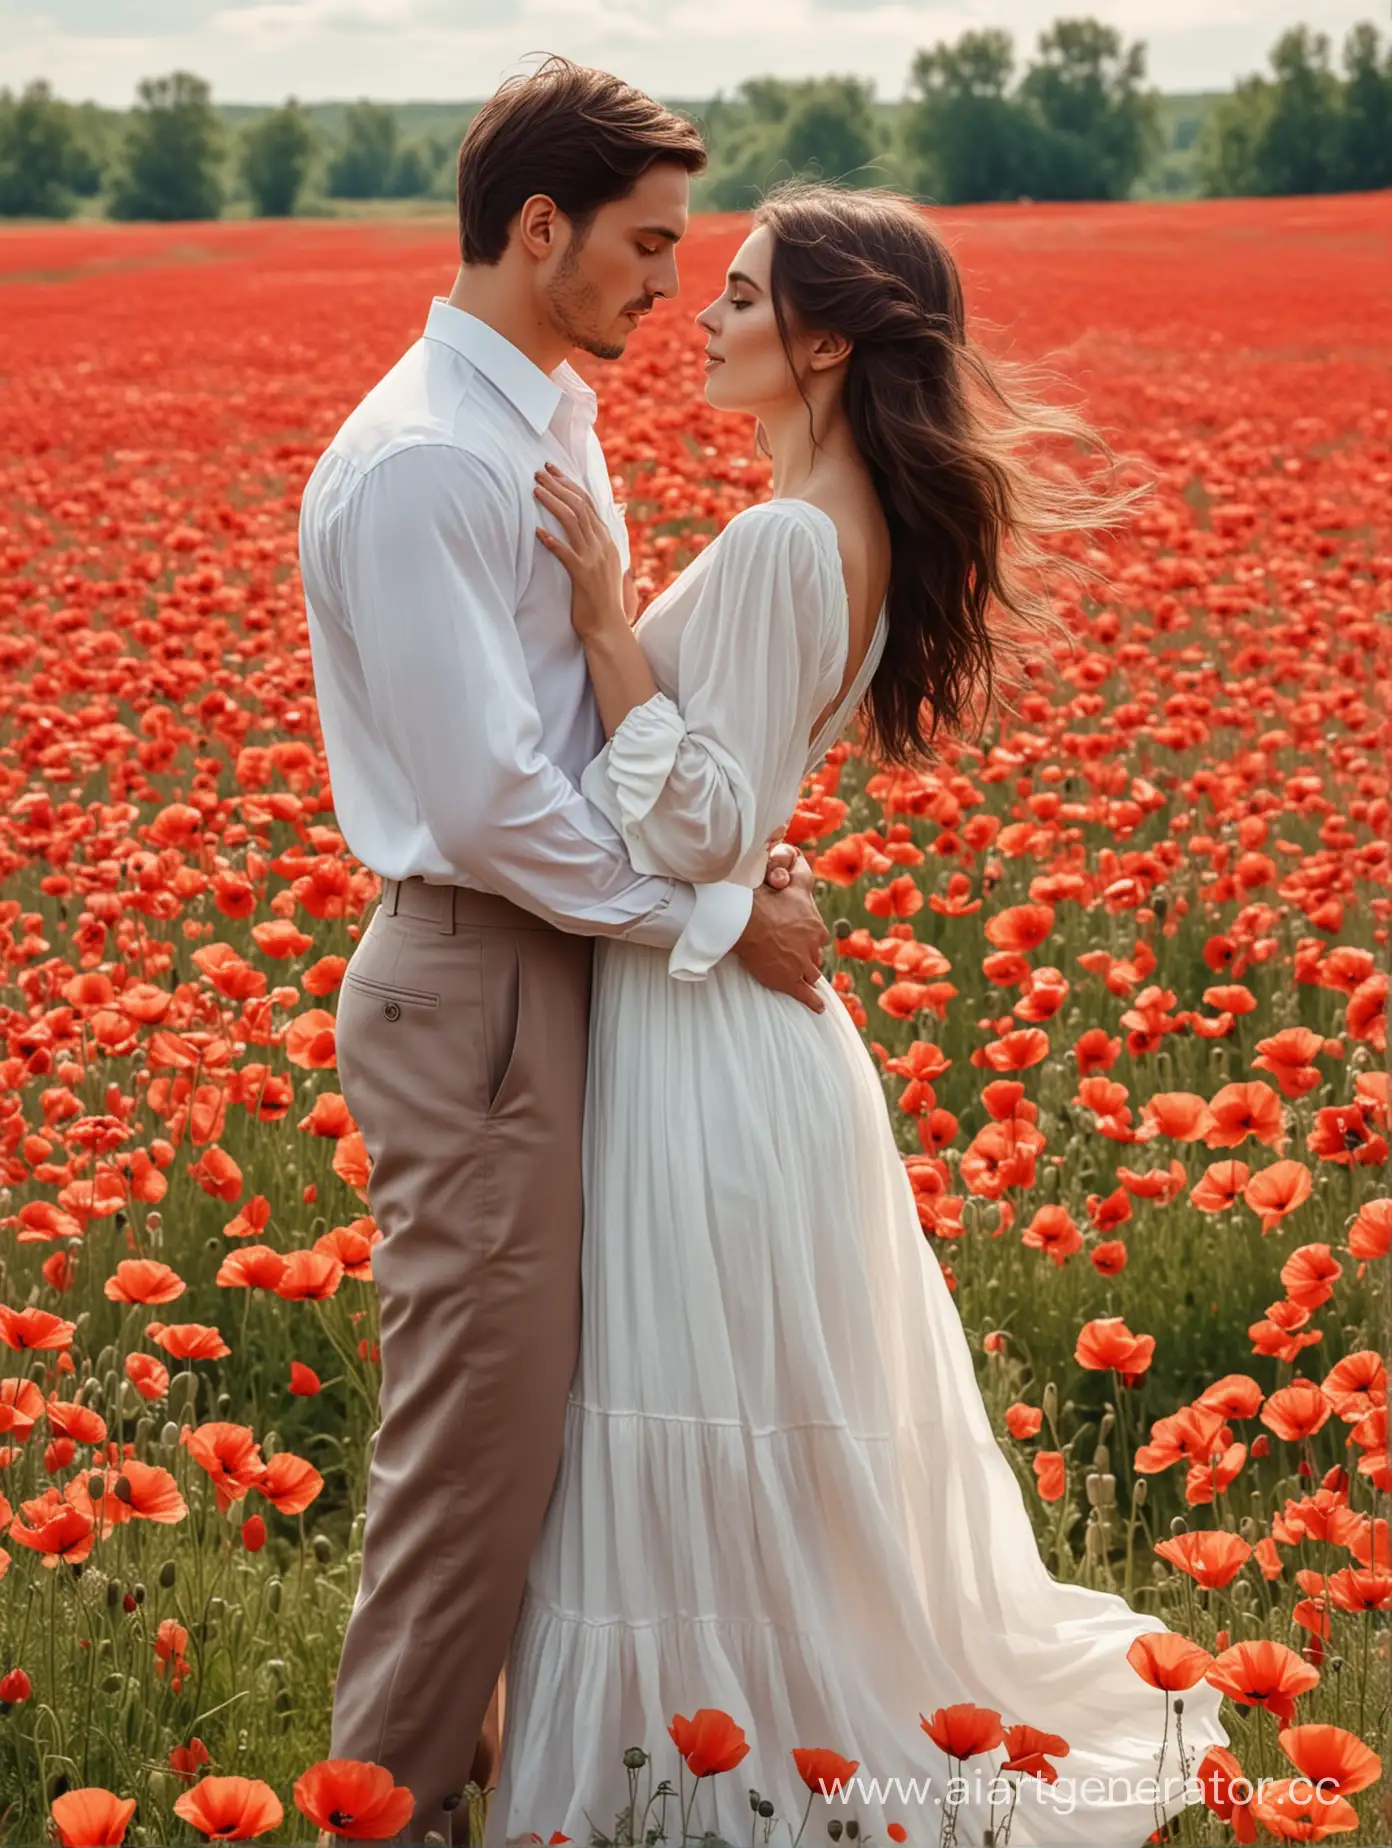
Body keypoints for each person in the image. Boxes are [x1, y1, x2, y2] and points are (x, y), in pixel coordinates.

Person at [482, 183, 1234, 1843]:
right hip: (739, 1028)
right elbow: (739, 835)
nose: (705, 313)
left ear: (824, 338)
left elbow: (698, 825)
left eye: (741, 296)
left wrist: (606, 624)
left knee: (692, 1405)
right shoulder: (849, 528)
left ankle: (712, 1785)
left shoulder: (780, 538)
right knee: (747, 1427)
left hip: (698, 1045)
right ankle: (748, 1761)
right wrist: (746, 875)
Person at [297, 57, 833, 1844]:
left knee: (555, 1446)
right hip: (479, 977)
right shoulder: (426, 465)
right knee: (475, 1463)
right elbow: (490, 804)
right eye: (649, 246)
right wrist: (711, 907)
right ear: (540, 230)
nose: (671, 288)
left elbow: (576, 730)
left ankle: (505, 1792)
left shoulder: (538, 417)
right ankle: (380, 1820)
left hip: (547, 971)